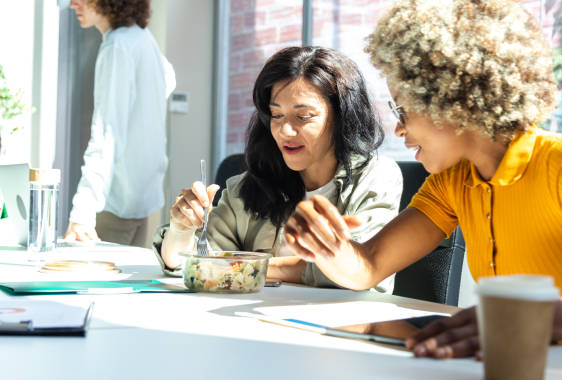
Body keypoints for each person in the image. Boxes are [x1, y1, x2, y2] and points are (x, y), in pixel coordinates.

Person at [284, 0, 562, 357]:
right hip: (503, 362)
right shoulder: (453, 182)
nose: (399, 128)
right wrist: (329, 246)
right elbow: (368, 267)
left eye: (403, 109)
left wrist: (520, 318)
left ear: (453, 99)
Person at [156, 46, 402, 292]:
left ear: (341, 117)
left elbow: (357, 267)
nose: (285, 131)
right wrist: (182, 230)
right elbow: (192, 262)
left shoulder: (377, 176)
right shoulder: (247, 186)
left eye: (303, 117)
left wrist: (242, 266)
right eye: (276, 115)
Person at [64, 0, 175, 247]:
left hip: (116, 205)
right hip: (142, 199)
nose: (72, 4)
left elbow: (106, 133)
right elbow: (168, 80)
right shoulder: (143, 38)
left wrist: (82, 211)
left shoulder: (118, 46)